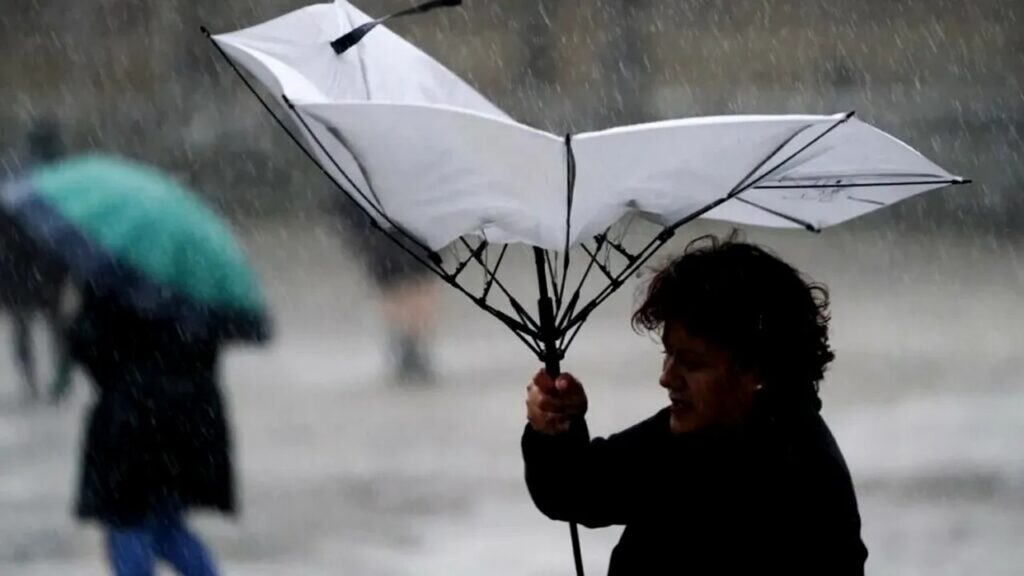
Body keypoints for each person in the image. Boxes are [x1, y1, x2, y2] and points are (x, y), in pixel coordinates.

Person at [521, 234, 868, 575]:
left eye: (691, 362)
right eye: (668, 354)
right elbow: (575, 489)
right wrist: (555, 429)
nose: (666, 377)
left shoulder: (809, 488)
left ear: (756, 370)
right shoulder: (689, 436)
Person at [58, 287, 233, 576]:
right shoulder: (194, 288)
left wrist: (75, 325)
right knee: (167, 524)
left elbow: (91, 349)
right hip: (188, 418)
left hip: (129, 419)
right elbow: (209, 351)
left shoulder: (115, 283)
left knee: (127, 519)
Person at [327, 191, 440, 384]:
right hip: (406, 208)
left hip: (385, 209)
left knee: (401, 277)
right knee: (409, 276)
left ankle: (408, 341)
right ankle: (410, 342)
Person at [0, 119, 70, 401]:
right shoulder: (61, 175)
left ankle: (32, 381)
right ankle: (58, 377)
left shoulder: (14, 174)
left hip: (17, 262)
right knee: (53, 322)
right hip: (44, 262)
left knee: (25, 323)